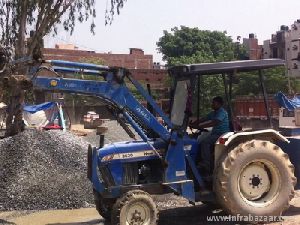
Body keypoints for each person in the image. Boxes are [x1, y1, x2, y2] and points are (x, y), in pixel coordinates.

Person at [190, 96, 230, 174]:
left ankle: (206, 164)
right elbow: (204, 119)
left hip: (222, 134)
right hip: (215, 133)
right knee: (200, 140)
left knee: (205, 142)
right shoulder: (214, 113)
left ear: (219, 104)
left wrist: (199, 126)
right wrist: (194, 123)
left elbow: (214, 122)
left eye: (213, 103)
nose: (212, 104)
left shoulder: (222, 112)